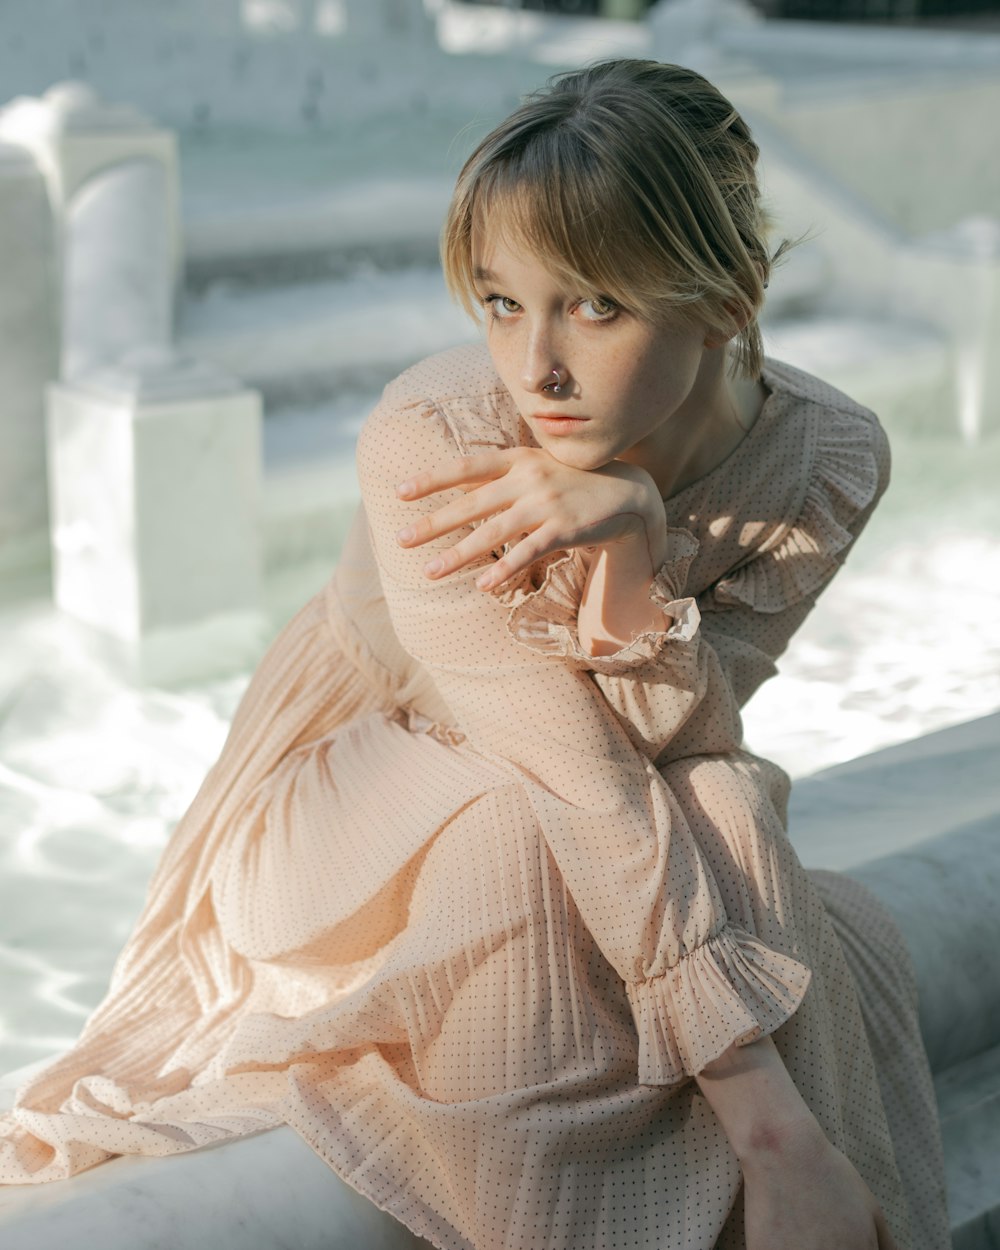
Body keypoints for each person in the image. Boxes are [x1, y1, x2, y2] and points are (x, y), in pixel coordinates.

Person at [0, 59, 949, 1250]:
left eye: (594, 305)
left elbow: (687, 738)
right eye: (501, 303)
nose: (535, 365)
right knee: (527, 839)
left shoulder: (824, 459)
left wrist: (630, 558)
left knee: (726, 804)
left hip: (585, 784)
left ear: (729, 297)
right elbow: (576, 775)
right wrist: (765, 1117)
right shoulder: (435, 442)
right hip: (344, 795)